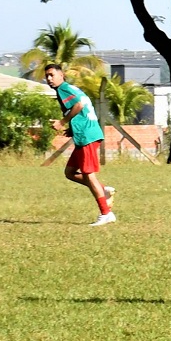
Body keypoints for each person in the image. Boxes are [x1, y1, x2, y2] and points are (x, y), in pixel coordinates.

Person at [42, 63, 115, 225]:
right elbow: (82, 108)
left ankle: (106, 213)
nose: (49, 79)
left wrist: (62, 122)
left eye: (52, 75)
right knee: (69, 172)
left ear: (61, 75)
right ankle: (104, 191)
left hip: (88, 135)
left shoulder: (63, 89)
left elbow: (79, 105)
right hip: (83, 135)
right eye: (46, 76)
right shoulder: (68, 88)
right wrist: (72, 128)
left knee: (89, 174)